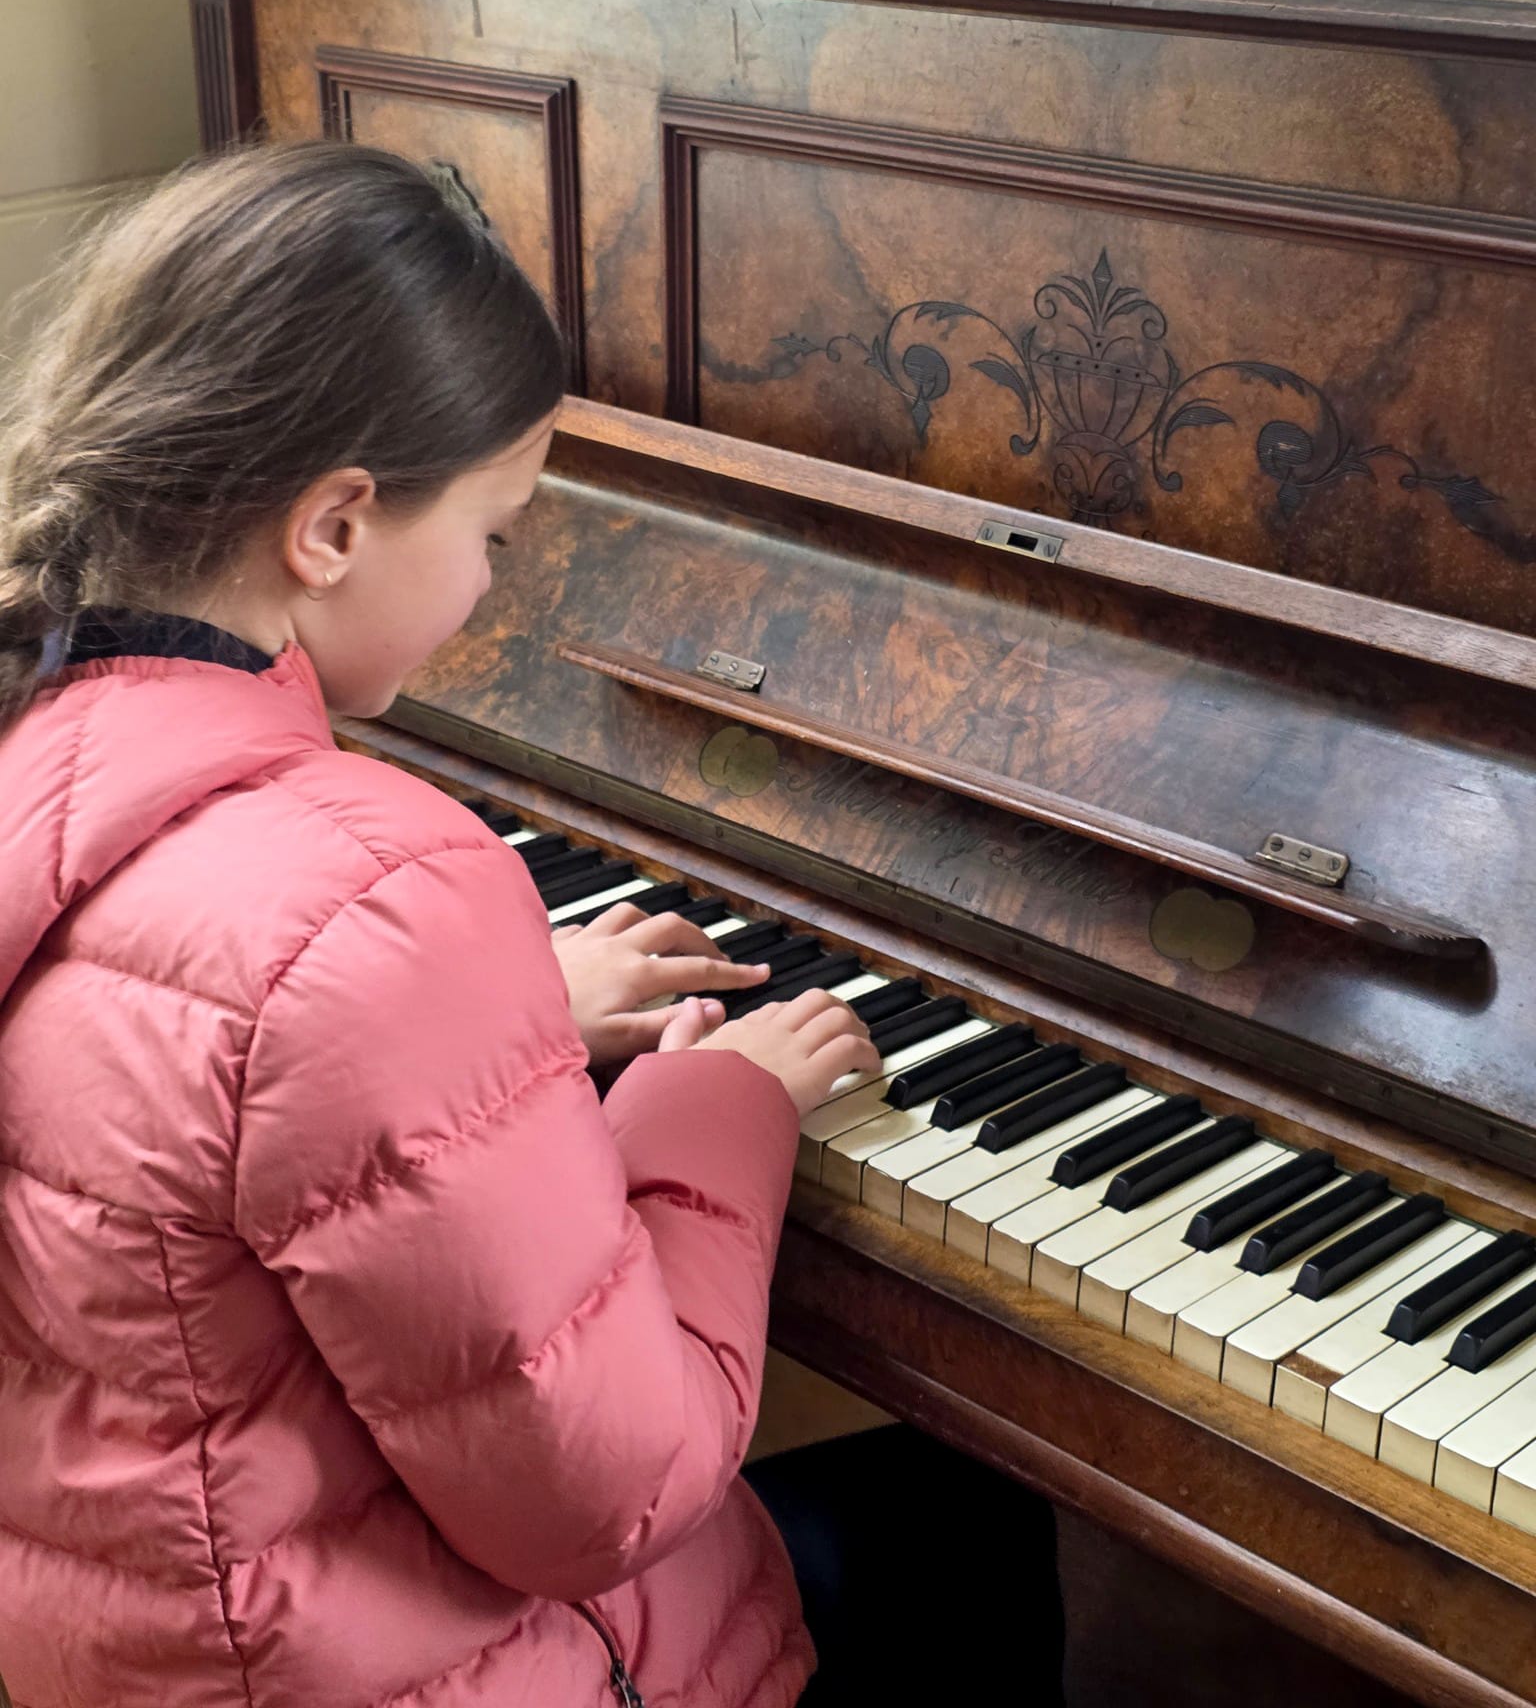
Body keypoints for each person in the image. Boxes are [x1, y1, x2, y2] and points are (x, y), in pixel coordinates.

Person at [0, 141, 1062, 1708]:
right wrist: (722, 1110)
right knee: (974, 1524)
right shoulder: (369, 895)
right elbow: (609, 1493)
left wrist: (501, 1023)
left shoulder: (51, 744)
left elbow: (206, 1069)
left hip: (142, 1637)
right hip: (420, 1667)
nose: (497, 591)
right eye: (498, 530)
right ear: (334, 526)